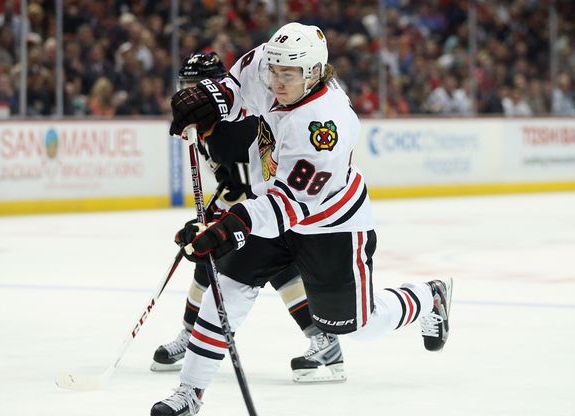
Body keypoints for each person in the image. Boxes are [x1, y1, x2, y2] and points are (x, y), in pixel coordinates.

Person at [152, 23, 452, 416]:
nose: (277, 81)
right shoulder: (270, 64)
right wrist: (209, 98)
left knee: (358, 326)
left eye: (288, 75)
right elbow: (237, 89)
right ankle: (190, 392)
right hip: (274, 207)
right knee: (225, 290)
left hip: (330, 224)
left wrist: (229, 226)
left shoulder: (323, 126)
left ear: (314, 73)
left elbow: (289, 206)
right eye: (274, 71)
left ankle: (428, 297)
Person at [151, 51, 346, 385]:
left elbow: (253, 184)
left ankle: (323, 339)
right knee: (215, 262)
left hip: (274, 207)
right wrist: (213, 215)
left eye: (197, 86)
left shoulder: (238, 124)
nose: (190, 94)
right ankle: (322, 340)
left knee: (265, 267)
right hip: (255, 208)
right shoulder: (205, 126)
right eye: (185, 86)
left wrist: (218, 219)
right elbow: (231, 180)